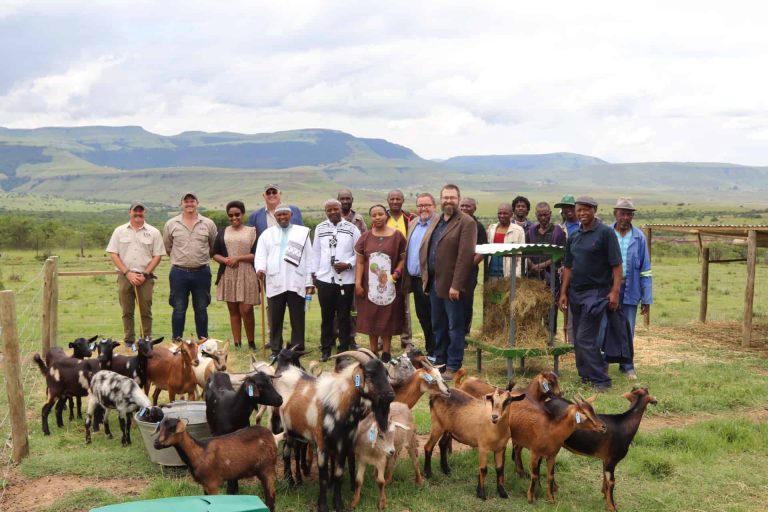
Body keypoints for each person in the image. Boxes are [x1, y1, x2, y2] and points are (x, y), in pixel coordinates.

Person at [559, 196, 623, 391]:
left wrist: (615, 292)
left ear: (594, 210)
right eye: (579, 210)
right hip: (576, 292)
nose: (582, 213)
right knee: (577, 338)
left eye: (586, 209)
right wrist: (563, 292)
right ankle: (585, 376)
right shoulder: (575, 236)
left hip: (596, 293)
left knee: (585, 338)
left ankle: (602, 380)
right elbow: (568, 266)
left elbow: (617, 265)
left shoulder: (605, 233)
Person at [420, 184, 477, 379]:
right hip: (436, 282)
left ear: (459, 199)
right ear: (441, 199)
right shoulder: (438, 221)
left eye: (452, 198)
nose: (448, 201)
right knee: (439, 325)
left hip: (453, 285)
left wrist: (456, 285)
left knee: (455, 326)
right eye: (445, 197)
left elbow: (465, 256)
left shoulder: (466, 222)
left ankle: (453, 365)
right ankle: (440, 360)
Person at [254, 205, 314, 361]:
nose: (282, 217)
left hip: (296, 280)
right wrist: (260, 268)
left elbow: (309, 258)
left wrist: (309, 282)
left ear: (291, 215)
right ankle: (275, 348)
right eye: (279, 215)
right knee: (275, 318)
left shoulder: (302, 233)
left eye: (285, 214)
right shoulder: (267, 234)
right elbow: (260, 255)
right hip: (275, 281)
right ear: (275, 216)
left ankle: (297, 348)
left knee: (297, 318)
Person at [106, 202, 165, 344]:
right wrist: (127, 273)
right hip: (125, 276)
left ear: (145, 212)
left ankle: (146, 339)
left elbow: (157, 256)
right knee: (127, 311)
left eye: (141, 211)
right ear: (129, 212)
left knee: (145, 311)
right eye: (135, 211)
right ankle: (129, 340)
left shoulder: (154, 232)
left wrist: (145, 274)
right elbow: (113, 254)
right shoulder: (119, 231)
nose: (138, 214)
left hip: (145, 277)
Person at [354, 204, 407, 362]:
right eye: (374, 215)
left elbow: (403, 259)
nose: (377, 217)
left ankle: (386, 352)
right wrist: (358, 283)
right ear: (371, 217)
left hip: (390, 284)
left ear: (386, 216)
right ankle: (372, 351)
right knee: (371, 316)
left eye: (381, 214)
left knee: (387, 316)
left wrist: (396, 273)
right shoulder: (365, 237)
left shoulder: (397, 236)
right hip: (370, 285)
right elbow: (361, 262)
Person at [163, 192, 218, 340]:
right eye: (186, 201)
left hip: (202, 272)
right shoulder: (171, 224)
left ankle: (203, 340)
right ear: (181, 204)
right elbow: (168, 247)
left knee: (201, 308)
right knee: (179, 308)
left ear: (197, 203)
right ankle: (177, 340)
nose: (189, 204)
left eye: (192, 201)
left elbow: (213, 246)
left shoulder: (208, 223)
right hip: (179, 273)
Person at [312, 199, 361, 361]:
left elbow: (359, 254)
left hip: (346, 280)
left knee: (344, 316)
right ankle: (326, 349)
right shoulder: (320, 228)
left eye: (335, 209)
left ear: (341, 209)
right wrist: (315, 275)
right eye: (329, 210)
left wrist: (347, 264)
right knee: (326, 316)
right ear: (325, 211)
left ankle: (343, 351)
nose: (333, 212)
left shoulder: (352, 229)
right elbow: (316, 253)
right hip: (325, 279)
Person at [612, 198, 652, 380]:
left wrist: (647, 298)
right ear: (615, 214)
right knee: (606, 326)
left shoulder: (639, 237)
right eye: (622, 213)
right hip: (609, 288)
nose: (625, 217)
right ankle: (604, 362)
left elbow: (646, 270)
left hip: (631, 287)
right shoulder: (606, 233)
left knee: (628, 327)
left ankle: (627, 365)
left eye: (629, 214)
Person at [212, 201, 260, 350]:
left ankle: (251, 342)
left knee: (246, 310)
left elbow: (256, 255)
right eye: (231, 215)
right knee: (233, 311)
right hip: (229, 273)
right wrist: (226, 260)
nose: (234, 217)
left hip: (247, 273)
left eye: (237, 214)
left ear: (243, 214)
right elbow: (214, 254)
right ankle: (237, 343)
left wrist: (238, 258)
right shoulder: (223, 232)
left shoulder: (252, 231)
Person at [404, 193, 438, 355]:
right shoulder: (413, 223)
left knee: (436, 317)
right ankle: (430, 349)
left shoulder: (439, 224)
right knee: (423, 316)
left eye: (427, 205)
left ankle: (437, 351)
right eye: (420, 205)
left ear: (434, 206)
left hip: (433, 279)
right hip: (416, 280)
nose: (423, 208)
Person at [525, 202, 566, 335]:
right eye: (540, 215)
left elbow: (561, 254)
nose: (543, 217)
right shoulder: (531, 231)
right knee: (533, 306)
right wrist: (531, 265)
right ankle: (534, 336)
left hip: (551, 275)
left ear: (550, 214)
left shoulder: (558, 232)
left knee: (550, 307)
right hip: (533, 275)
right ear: (536, 215)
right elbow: (525, 251)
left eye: (546, 214)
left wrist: (541, 265)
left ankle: (550, 337)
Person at [458, 197, 488, 336]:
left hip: (469, 271)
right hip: (451, 270)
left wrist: (466, 266)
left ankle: (465, 334)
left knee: (466, 301)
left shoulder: (478, 227)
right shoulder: (453, 223)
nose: (464, 208)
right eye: (462, 206)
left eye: (468, 206)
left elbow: (482, 251)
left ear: (474, 208)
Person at [485, 203, 525, 280]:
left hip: (508, 273)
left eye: (505, 213)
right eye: (500, 213)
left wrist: (517, 275)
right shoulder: (491, 229)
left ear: (511, 214)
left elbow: (520, 255)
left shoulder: (518, 230)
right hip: (491, 272)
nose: (502, 216)